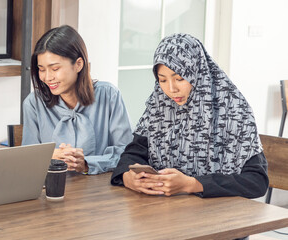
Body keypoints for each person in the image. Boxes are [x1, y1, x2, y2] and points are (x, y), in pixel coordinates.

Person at [111, 33, 268, 198]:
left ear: (197, 73)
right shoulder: (159, 106)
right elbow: (133, 153)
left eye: (179, 78)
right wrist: (128, 177)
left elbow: (256, 182)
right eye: (162, 80)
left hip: (219, 215)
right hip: (169, 211)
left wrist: (192, 184)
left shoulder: (233, 110)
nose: (171, 89)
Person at [22, 25, 132, 174]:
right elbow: (26, 159)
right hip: (52, 188)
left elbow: (127, 153)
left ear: (78, 64)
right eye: (41, 69)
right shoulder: (33, 103)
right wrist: (47, 157)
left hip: (100, 191)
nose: (47, 77)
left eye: (55, 69)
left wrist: (87, 163)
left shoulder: (109, 95)